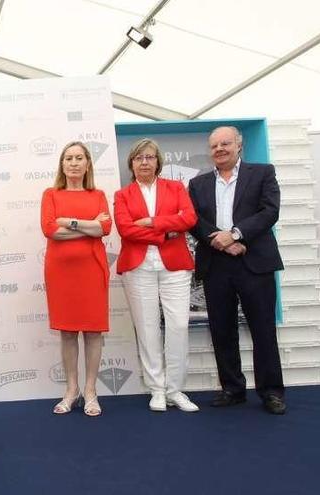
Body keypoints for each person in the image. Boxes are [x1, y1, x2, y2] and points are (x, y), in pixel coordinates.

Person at [188, 126, 286, 415]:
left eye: (225, 143)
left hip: (254, 262)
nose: (220, 149)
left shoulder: (263, 173)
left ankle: (271, 392)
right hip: (216, 263)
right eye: (214, 145)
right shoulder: (199, 183)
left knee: (263, 329)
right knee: (222, 330)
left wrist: (236, 234)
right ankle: (232, 388)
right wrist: (221, 241)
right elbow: (194, 220)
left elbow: (270, 211)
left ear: (239, 146)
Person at [113, 138, 199, 413]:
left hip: (175, 266)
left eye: (149, 157)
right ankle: (157, 390)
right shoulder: (123, 195)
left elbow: (189, 219)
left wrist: (151, 223)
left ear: (158, 161)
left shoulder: (175, 188)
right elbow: (126, 229)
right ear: (132, 164)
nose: (145, 162)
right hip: (138, 267)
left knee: (178, 326)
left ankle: (175, 389)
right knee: (148, 329)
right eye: (139, 158)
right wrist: (167, 233)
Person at [41, 142, 111, 418]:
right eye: (68, 158)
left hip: (92, 271)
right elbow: (50, 230)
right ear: (62, 164)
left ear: (87, 163)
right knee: (67, 331)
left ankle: (91, 390)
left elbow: (104, 228)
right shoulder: (51, 194)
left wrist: (68, 221)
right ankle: (71, 390)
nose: (73, 163)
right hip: (61, 272)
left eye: (79, 158)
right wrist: (87, 226)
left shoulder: (98, 194)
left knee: (93, 332)